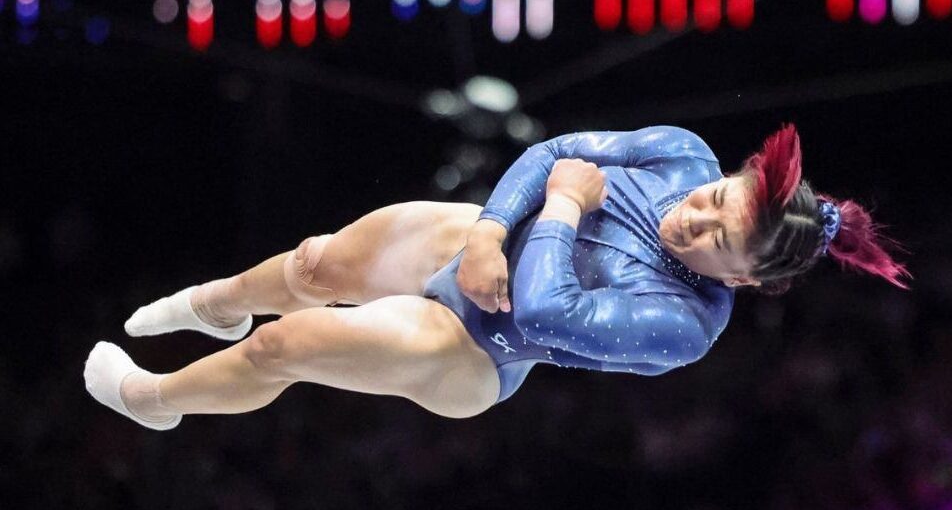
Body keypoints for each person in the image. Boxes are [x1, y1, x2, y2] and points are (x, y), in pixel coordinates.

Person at [84, 123, 910, 430]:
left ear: (744, 280)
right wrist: (488, 231)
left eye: (713, 238)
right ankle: (209, 307)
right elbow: (553, 150)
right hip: (481, 242)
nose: (690, 216)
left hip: (474, 346)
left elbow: (546, 313)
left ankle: (155, 402)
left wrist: (556, 210)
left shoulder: (687, 326)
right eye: (713, 199)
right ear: (724, 172)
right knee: (314, 262)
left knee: (287, 347)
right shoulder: (680, 151)